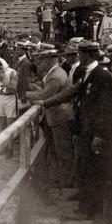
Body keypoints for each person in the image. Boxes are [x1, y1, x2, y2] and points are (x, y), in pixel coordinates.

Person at [38, 41, 112, 219]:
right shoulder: (83, 72)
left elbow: (106, 109)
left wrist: (100, 135)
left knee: (92, 168)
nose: (76, 57)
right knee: (82, 164)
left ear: (87, 55)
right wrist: (45, 102)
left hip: (95, 129)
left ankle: (88, 210)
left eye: (79, 54)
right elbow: (72, 92)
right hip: (83, 127)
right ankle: (84, 200)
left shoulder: (101, 76)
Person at [25, 50, 73, 189]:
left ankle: (65, 184)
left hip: (60, 117)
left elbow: (45, 95)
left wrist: (25, 93)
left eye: (42, 59)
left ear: (50, 60)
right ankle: (58, 180)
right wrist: (36, 88)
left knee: (62, 151)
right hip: (57, 115)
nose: (39, 63)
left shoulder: (55, 76)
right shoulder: (55, 72)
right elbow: (48, 92)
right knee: (56, 149)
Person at [0, 59, 18, 157]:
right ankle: (5, 147)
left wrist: (4, 80)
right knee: (2, 126)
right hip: (1, 98)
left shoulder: (12, 72)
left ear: (0, 68)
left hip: (10, 98)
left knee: (10, 125)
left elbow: (14, 87)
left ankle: (10, 149)